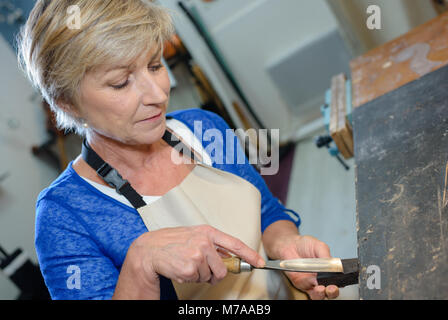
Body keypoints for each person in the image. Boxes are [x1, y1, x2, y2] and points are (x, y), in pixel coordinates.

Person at [17, 0, 340, 300]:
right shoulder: (64, 217)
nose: (157, 93)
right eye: (120, 82)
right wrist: (140, 265)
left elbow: (266, 213)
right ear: (67, 103)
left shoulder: (204, 128)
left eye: (155, 66)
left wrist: (285, 244)